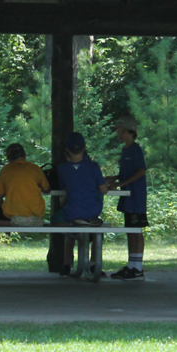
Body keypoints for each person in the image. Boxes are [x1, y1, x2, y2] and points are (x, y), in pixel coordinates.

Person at [58, 132, 109, 276]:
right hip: (93, 212)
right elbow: (104, 190)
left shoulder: (63, 169)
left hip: (73, 212)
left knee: (69, 229)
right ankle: (93, 263)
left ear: (67, 150)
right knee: (96, 230)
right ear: (84, 147)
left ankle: (67, 263)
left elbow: (64, 190)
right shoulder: (93, 167)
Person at [106, 115, 148, 281]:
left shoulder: (135, 150)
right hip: (127, 196)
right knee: (130, 231)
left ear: (132, 132)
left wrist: (121, 182)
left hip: (135, 196)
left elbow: (140, 171)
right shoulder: (124, 150)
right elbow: (127, 172)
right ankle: (131, 265)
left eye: (123, 131)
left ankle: (138, 267)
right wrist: (116, 178)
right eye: (118, 131)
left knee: (136, 231)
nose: (120, 134)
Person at [0, 143, 50, 227]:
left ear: (8, 158)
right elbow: (47, 190)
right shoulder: (35, 168)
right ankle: (28, 221)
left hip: (13, 214)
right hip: (36, 212)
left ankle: (14, 223)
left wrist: (3, 213)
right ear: (24, 155)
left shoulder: (6, 170)